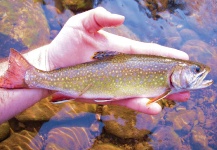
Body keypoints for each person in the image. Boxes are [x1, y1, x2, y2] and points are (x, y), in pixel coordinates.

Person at [0, 7, 189, 124]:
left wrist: (46, 62)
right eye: (195, 71)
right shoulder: (165, 82)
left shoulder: (166, 78)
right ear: (176, 73)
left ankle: (30, 77)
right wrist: (48, 61)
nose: (197, 74)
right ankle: (31, 77)